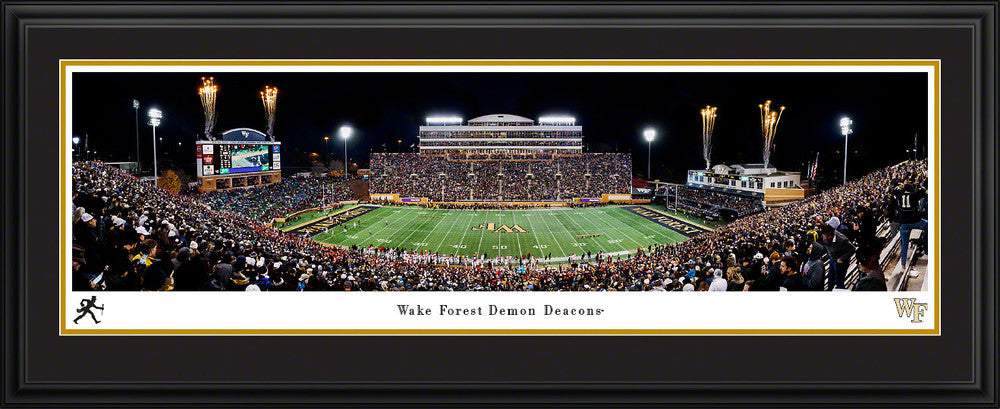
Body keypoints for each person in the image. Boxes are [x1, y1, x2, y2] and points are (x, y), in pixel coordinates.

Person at [896, 182, 928, 266]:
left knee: (904, 244)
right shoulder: (914, 195)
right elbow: (923, 190)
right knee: (929, 226)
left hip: (904, 224)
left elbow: (895, 190)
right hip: (915, 222)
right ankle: (926, 248)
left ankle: (903, 263)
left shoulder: (899, 195)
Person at [820, 223, 856, 290]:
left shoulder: (842, 239)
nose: (825, 238)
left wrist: (842, 258)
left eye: (827, 236)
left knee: (839, 280)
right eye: (824, 235)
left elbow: (852, 249)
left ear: (831, 233)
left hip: (840, 262)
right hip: (832, 258)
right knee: (830, 277)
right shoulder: (825, 236)